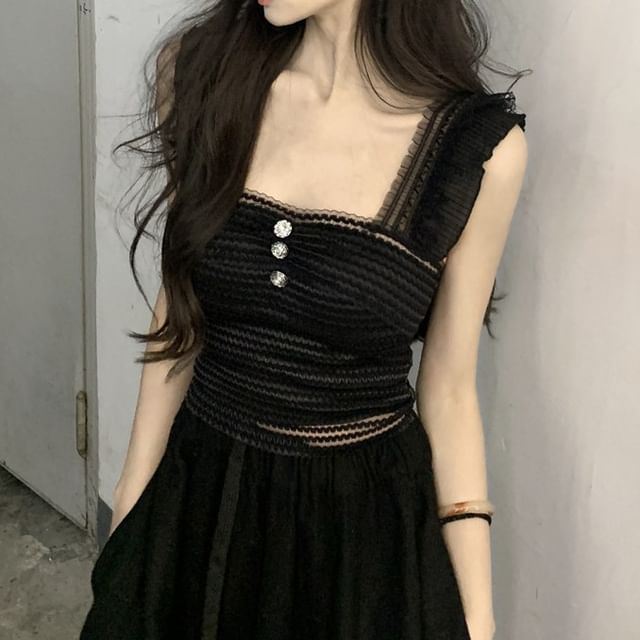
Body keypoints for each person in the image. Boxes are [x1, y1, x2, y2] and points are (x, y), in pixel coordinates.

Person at [79, 1, 528, 638]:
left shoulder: (479, 151)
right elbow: (181, 308)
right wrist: (131, 508)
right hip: (200, 502)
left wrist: (477, 616)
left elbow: (450, 389)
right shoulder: (201, 75)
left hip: (360, 539)